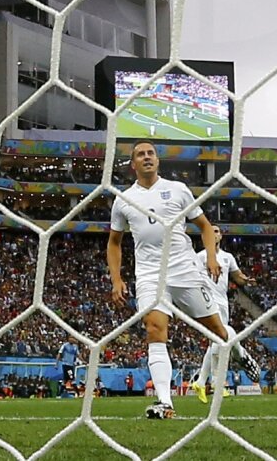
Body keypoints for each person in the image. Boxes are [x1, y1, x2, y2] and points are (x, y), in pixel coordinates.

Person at [107, 140, 236, 419]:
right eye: (140, 155)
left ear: (158, 160)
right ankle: (165, 402)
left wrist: (211, 257)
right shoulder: (124, 200)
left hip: (183, 267)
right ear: (133, 165)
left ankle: (236, 348)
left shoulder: (178, 190)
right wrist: (116, 279)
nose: (146, 157)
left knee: (218, 331)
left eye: (150, 153)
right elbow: (114, 242)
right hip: (149, 274)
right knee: (154, 329)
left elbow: (203, 226)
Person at [193, 225, 260, 403]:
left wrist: (246, 280)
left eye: (217, 231)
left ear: (221, 236)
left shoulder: (227, 257)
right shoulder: (199, 257)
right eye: (211, 231)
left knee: (217, 341)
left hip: (223, 302)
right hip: (207, 301)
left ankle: (202, 382)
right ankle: (217, 382)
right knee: (220, 338)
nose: (214, 234)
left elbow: (237, 276)